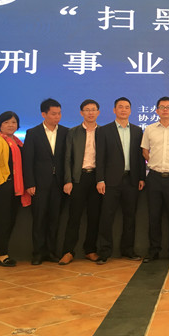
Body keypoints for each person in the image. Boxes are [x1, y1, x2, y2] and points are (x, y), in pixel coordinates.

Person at [96, 97, 146, 264]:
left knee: (130, 217)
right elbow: (100, 157)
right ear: (114, 110)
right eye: (120, 107)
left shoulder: (138, 131)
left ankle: (128, 250)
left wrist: (141, 177)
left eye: (126, 107)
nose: (123, 110)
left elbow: (140, 157)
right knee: (107, 217)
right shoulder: (104, 130)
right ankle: (104, 252)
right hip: (110, 181)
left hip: (131, 180)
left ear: (130, 111)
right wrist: (100, 179)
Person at [142, 96, 169, 263]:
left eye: (168, 107)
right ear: (157, 111)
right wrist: (154, 163)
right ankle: (154, 250)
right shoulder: (149, 129)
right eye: (162, 107)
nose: (165, 110)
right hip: (154, 177)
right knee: (154, 217)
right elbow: (145, 151)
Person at [23, 98, 68, 265]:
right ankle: (38, 253)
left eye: (59, 113)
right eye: (53, 114)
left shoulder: (66, 132)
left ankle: (51, 252)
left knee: (54, 220)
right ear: (44, 114)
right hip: (39, 184)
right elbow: (28, 161)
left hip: (59, 184)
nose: (57, 117)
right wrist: (30, 183)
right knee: (39, 219)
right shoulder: (33, 133)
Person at [59, 99, 103, 265]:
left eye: (93, 109)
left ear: (98, 112)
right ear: (81, 113)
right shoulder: (73, 132)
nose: (90, 113)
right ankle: (68, 251)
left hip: (96, 179)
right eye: (87, 110)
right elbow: (67, 158)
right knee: (74, 217)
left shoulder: (103, 132)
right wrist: (68, 180)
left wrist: (102, 179)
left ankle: (90, 250)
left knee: (94, 216)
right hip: (78, 178)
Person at [0, 111, 28, 267]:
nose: (11, 125)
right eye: (6, 122)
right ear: (0, 125)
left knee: (10, 220)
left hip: (15, 187)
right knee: (2, 221)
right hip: (2, 187)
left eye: (14, 122)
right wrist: (2, 183)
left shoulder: (17, 142)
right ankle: (2, 254)